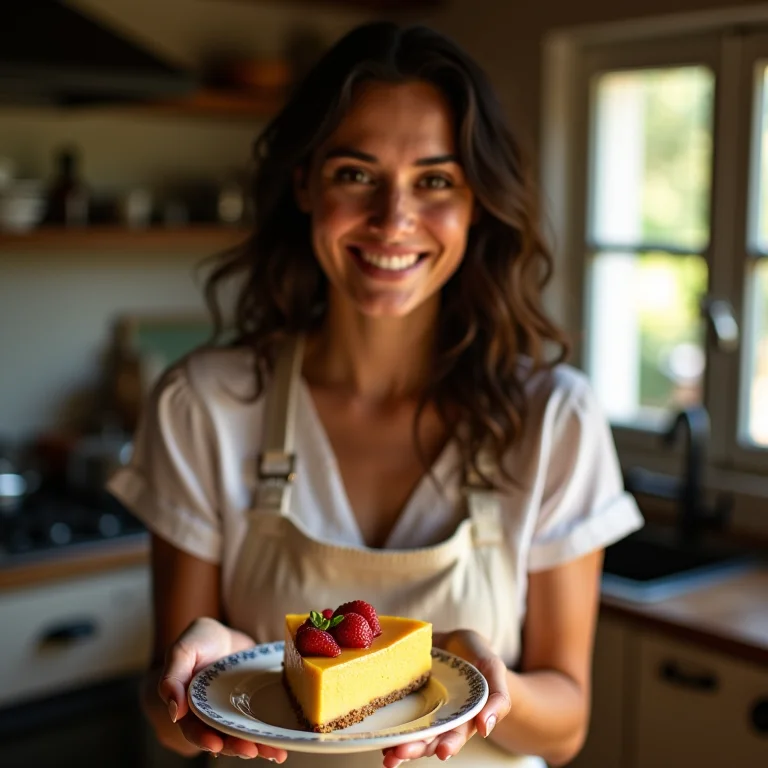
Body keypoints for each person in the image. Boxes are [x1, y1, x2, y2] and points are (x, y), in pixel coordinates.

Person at [107, 21, 643, 768]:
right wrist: (205, 669)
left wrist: (494, 686)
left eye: (435, 180)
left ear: (478, 201)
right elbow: (167, 722)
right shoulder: (204, 405)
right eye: (356, 174)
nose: (394, 220)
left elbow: (567, 725)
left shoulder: (552, 418)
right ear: (305, 182)